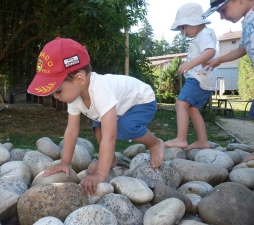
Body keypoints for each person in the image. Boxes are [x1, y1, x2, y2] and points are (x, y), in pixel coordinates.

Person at [27, 37, 164, 195]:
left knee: (125, 127)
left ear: (79, 79)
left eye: (58, 91)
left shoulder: (100, 91)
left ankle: (155, 144)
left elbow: (110, 135)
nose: (56, 97)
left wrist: (100, 174)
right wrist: (65, 162)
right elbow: (71, 131)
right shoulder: (75, 95)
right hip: (117, 106)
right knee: (97, 125)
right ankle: (110, 159)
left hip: (141, 100)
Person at [202, 0, 254, 162]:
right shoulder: (247, 23)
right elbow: (242, 49)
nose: (222, 17)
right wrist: (219, 60)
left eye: (223, 10)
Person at [164, 2, 217, 150]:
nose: (182, 32)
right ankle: (202, 141)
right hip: (206, 80)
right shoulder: (206, 33)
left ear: (194, 22)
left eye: (183, 27)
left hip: (198, 78)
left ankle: (181, 139)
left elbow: (210, 52)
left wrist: (190, 64)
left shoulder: (204, 34)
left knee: (181, 104)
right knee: (192, 109)